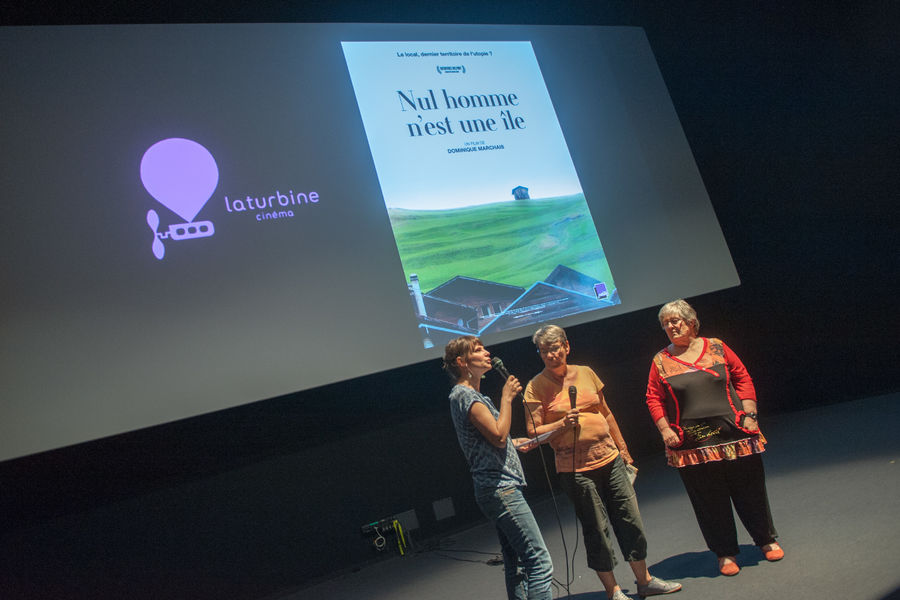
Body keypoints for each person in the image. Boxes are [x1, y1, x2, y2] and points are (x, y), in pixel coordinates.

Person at [523, 325, 681, 600]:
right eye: (544, 350)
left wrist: (624, 450)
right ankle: (614, 591)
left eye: (555, 347)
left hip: (609, 458)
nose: (550, 354)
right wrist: (562, 423)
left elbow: (606, 413)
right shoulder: (536, 386)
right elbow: (533, 432)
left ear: (566, 346)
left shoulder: (585, 372)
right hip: (575, 469)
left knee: (630, 521)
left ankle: (644, 581)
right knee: (597, 529)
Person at [645, 299, 783, 576]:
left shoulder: (716, 346)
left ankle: (765, 540)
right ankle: (725, 553)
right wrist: (665, 430)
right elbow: (653, 397)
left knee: (750, 489)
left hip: (734, 430)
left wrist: (750, 413)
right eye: (665, 324)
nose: (670, 327)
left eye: (675, 321)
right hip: (694, 439)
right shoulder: (661, 360)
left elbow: (742, 377)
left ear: (691, 322)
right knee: (709, 498)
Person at [444, 336, 554, 600]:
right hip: (501, 489)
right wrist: (506, 399)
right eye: (477, 350)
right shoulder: (465, 395)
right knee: (539, 562)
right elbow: (498, 436)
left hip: (497, 487)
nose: (486, 353)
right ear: (462, 362)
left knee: (516, 563)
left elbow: (494, 443)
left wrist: (517, 445)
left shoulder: (472, 395)